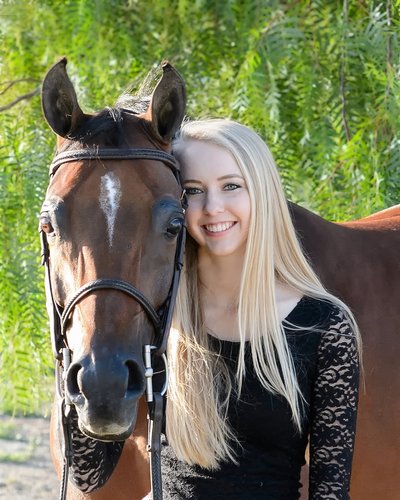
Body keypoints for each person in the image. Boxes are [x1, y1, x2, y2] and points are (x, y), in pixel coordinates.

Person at [161, 119, 360, 499]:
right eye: (193, 190)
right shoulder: (162, 314)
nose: (212, 207)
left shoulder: (325, 326)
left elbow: (330, 492)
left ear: (263, 193)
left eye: (231, 186)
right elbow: (89, 472)